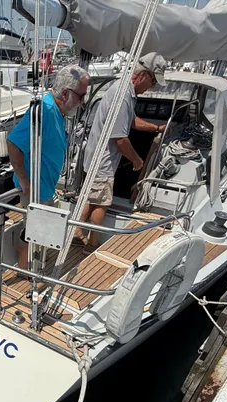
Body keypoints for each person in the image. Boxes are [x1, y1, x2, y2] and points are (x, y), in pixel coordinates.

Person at [74, 52, 168, 252]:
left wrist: (155, 128)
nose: (151, 88)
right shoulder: (123, 95)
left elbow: (131, 121)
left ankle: (76, 234)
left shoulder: (123, 89)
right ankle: (91, 244)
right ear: (143, 76)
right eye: (152, 83)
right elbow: (120, 139)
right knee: (101, 203)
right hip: (104, 161)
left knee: (89, 197)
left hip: (93, 157)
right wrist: (137, 161)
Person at [7, 64, 90, 269]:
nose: (82, 101)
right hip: (36, 187)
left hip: (44, 186)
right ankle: (25, 271)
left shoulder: (56, 111)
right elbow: (14, 143)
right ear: (65, 92)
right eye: (81, 96)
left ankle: (31, 267)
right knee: (32, 230)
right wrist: (25, 181)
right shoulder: (45, 109)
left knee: (36, 229)